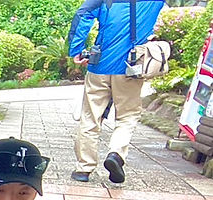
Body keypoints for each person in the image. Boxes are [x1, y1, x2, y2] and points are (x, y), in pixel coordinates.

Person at [67, 0, 165, 184]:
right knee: (127, 116)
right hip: (130, 68)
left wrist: (76, 49)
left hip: (99, 65)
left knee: (90, 117)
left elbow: (83, 14)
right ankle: (116, 154)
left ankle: (84, 169)